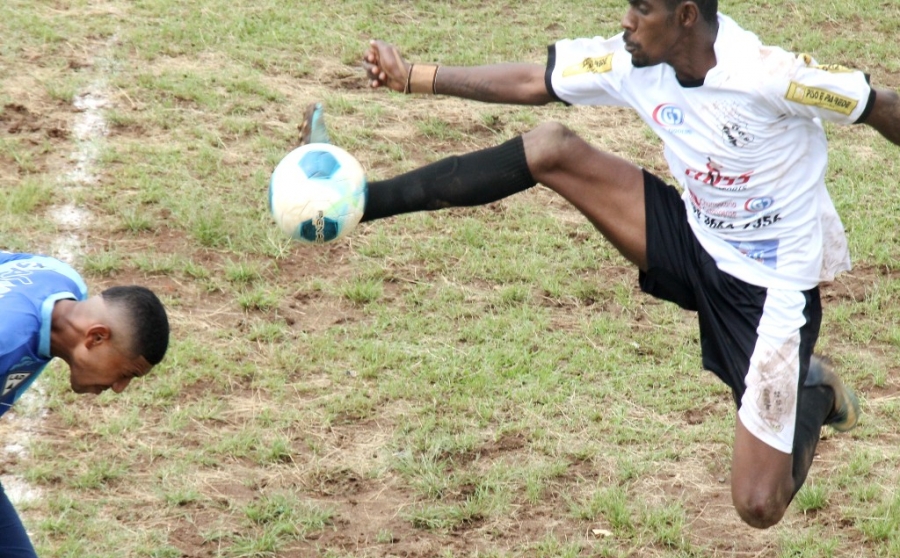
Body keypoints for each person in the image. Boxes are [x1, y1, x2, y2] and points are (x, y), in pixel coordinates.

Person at [303, 0, 900, 529]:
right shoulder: (635, 61)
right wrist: (415, 77)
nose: (626, 22)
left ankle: (813, 392)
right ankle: (356, 203)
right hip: (690, 236)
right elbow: (533, 80)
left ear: (686, 16)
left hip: (769, 294)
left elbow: (878, 105)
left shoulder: (774, 77)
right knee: (550, 147)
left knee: (758, 504)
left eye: (641, 9)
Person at [0, 250, 170, 558]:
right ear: (95, 338)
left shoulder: (63, 277)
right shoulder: (7, 342)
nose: (120, 388)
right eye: (126, 374)